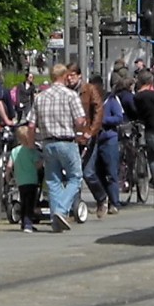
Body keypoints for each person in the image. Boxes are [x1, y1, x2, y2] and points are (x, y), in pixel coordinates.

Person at [27, 63, 86, 232]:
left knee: (53, 181)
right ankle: (61, 210)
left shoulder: (40, 97)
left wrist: (31, 146)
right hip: (66, 141)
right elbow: (80, 120)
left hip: (47, 143)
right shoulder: (70, 95)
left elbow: (31, 125)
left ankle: (56, 221)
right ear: (63, 76)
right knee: (75, 177)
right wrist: (82, 129)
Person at [66, 62, 108, 217]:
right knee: (73, 173)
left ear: (79, 76)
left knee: (87, 172)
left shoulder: (89, 90)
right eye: (67, 76)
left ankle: (101, 198)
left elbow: (98, 110)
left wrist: (91, 131)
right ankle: (75, 207)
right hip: (70, 137)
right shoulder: (65, 91)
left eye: (72, 75)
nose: (69, 79)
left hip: (87, 136)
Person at [93, 75, 127, 214]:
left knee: (111, 172)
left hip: (109, 139)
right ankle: (102, 200)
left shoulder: (111, 99)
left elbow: (119, 117)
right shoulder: (91, 101)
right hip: (95, 140)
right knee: (97, 171)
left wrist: (104, 120)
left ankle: (115, 202)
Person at [8, 125, 42, 233]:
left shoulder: (14, 151)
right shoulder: (32, 152)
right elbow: (37, 165)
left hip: (20, 181)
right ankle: (28, 224)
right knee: (30, 203)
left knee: (23, 201)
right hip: (32, 181)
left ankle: (23, 223)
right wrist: (44, 160)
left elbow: (9, 166)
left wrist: (7, 175)